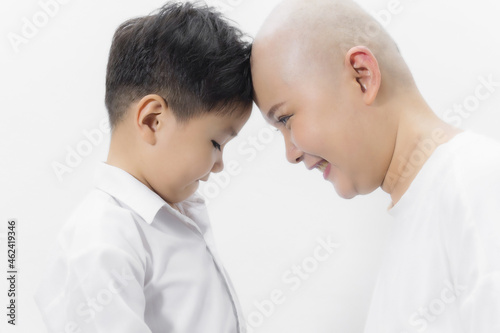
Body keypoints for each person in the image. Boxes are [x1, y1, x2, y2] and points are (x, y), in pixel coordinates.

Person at [251, 0, 500, 332]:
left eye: (286, 118)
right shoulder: (420, 215)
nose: (290, 153)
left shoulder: (479, 183)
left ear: (361, 76)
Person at [34, 2, 252, 332]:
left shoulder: (172, 215)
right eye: (216, 143)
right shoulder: (100, 242)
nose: (220, 165)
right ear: (152, 120)